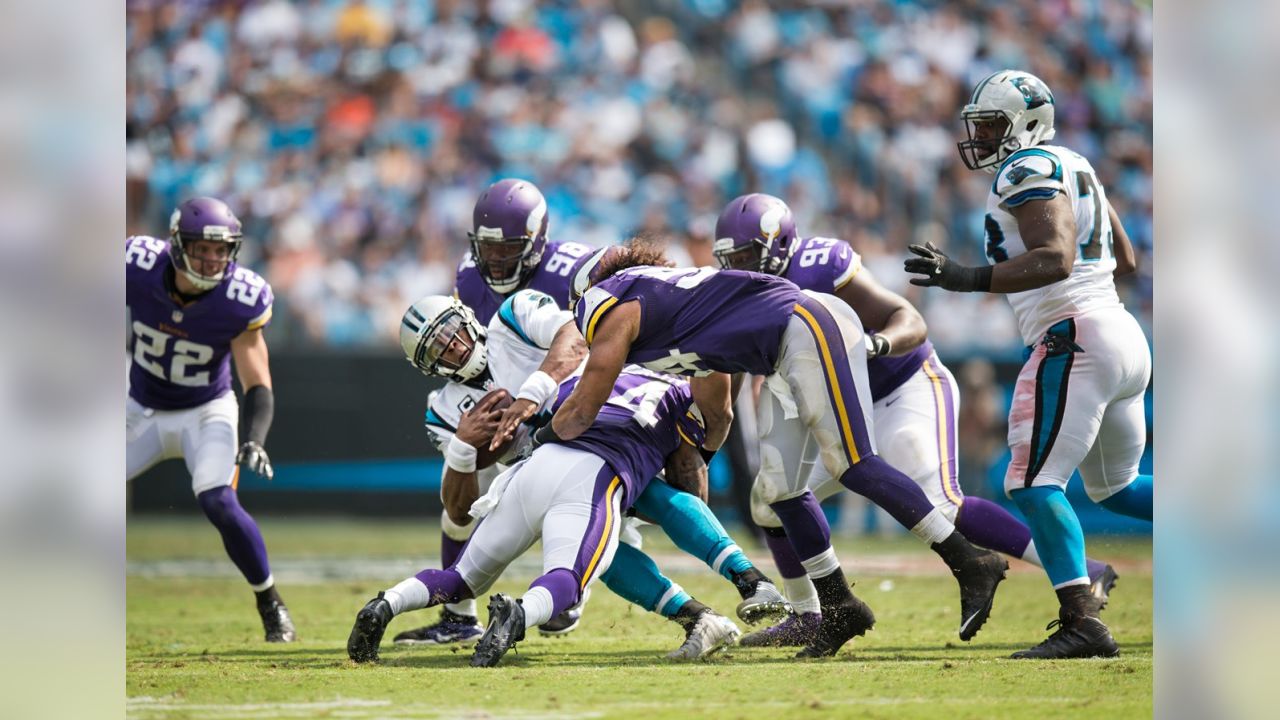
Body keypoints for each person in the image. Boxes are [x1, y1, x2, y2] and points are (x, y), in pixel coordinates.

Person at [540, 242, 1008, 658]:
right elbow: (717, 410)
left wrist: (535, 439)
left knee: (853, 464)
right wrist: (700, 458)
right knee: (777, 489)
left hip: (805, 327)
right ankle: (839, 605)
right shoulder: (673, 307)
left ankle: (971, 561)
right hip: (784, 350)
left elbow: (583, 408)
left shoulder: (609, 299)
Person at [712, 193, 1117, 647]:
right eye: (730, 260)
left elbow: (907, 319)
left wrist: (872, 346)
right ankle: (807, 614)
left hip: (904, 387)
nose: (737, 268)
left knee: (941, 503)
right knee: (770, 503)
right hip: (836, 410)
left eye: (746, 257)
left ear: (779, 244)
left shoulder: (820, 266)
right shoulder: (739, 296)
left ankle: (1085, 573)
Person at [387, 290, 785, 656]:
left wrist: (530, 396)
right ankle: (704, 614)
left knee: (660, 500)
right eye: (437, 349)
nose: (453, 348)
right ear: (426, 367)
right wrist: (462, 448)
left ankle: (749, 582)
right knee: (605, 554)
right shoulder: (444, 410)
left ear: (468, 318)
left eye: (452, 333)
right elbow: (459, 512)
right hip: (547, 464)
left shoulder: (514, 317)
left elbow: (574, 341)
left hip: (597, 414)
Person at [905, 69, 1152, 659]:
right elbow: (1127, 259)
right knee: (1115, 488)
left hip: (1076, 336)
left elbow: (1057, 257)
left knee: (1031, 482)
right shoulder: (1077, 164)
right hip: (1119, 331)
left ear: (1026, 123)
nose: (984, 137)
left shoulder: (1028, 168)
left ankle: (1082, 620)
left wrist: (965, 277)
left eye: (992, 125)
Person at [347, 364, 725, 667]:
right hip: (587, 475)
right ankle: (519, 615)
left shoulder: (544, 333)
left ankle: (386, 604)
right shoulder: (652, 375)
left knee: (461, 578)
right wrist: (463, 447)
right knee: (568, 578)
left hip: (528, 471)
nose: (452, 349)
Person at [411, 178, 594, 636]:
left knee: (594, 509)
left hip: (586, 400)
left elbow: (593, 335)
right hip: (513, 409)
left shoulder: (577, 268)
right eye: (486, 248)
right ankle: (457, 615)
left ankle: (573, 589)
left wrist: (537, 388)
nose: (494, 259)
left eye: (507, 248)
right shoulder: (468, 276)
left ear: (536, 241)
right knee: (460, 492)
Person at [126, 197, 294, 642]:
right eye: (203, 248)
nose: (213, 258)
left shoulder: (240, 299)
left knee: (218, 499)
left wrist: (256, 438)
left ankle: (269, 602)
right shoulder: (136, 265)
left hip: (205, 409)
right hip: (137, 404)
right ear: (177, 245)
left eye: (222, 250)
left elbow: (257, 380)